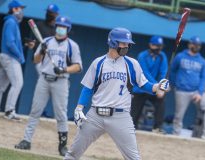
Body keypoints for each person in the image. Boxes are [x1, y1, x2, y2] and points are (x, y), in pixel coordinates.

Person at [64, 27, 170, 160]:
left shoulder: (132, 64)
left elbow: (144, 85)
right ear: (113, 42)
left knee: (134, 158)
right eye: (123, 43)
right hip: (95, 115)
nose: (126, 46)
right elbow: (88, 88)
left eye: (127, 43)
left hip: (121, 116)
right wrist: (79, 108)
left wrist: (158, 86)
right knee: (73, 153)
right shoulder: (98, 63)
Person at [14, 16, 82, 156]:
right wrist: (41, 51)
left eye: (63, 27)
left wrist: (64, 70)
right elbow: (35, 60)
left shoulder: (72, 45)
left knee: (61, 114)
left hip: (61, 81)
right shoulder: (46, 41)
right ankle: (26, 140)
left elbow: (78, 66)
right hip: (44, 80)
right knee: (35, 110)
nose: (60, 28)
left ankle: (62, 146)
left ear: (67, 29)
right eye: (59, 26)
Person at [170, 36, 205, 141]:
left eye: (198, 45)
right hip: (181, 90)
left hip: (196, 91)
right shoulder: (180, 56)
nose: (196, 46)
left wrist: (200, 93)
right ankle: (176, 134)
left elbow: (204, 77)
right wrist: (174, 84)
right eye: (194, 44)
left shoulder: (202, 61)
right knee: (179, 115)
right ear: (189, 44)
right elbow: (173, 70)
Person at [0, 0, 26, 120]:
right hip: (10, 58)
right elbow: (10, 43)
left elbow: (12, 42)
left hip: (5, 57)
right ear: (14, 9)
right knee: (18, 83)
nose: (22, 10)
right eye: (20, 8)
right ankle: (9, 111)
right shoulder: (11, 22)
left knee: (0, 87)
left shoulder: (12, 22)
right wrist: (19, 56)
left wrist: (24, 46)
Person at [131, 35, 168, 132]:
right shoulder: (142, 56)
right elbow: (145, 74)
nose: (158, 48)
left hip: (155, 88)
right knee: (135, 111)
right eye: (156, 46)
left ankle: (158, 127)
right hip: (141, 87)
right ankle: (131, 127)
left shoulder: (162, 56)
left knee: (161, 101)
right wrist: (157, 86)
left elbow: (163, 73)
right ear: (150, 45)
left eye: (160, 46)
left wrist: (162, 87)